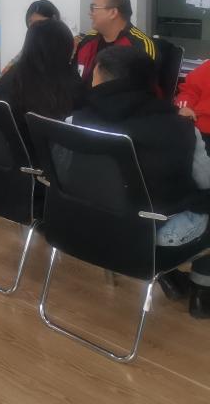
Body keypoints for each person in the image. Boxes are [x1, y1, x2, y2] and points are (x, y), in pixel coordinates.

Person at [70, 46, 210, 318]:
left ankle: (169, 276)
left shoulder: (75, 120)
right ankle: (202, 293)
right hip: (149, 234)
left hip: (83, 226)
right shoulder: (179, 128)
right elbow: (205, 183)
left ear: (98, 75)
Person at [0, 19, 83, 147]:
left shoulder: (12, 75)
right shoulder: (66, 78)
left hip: (15, 152)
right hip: (50, 153)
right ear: (62, 48)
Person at [74, 0, 156, 87]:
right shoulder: (88, 40)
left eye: (93, 8)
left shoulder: (140, 45)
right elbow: (74, 77)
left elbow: (145, 90)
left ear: (113, 12)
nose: (90, 13)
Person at [0, 0, 64, 95]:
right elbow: (13, 65)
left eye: (40, 23)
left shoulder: (67, 46)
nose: (34, 28)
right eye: (31, 23)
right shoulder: (29, 46)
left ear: (54, 19)